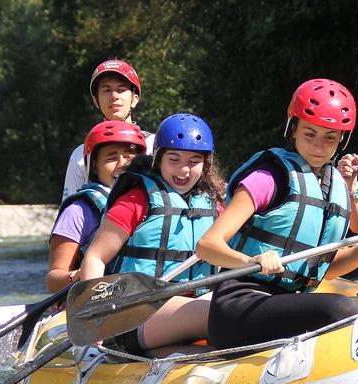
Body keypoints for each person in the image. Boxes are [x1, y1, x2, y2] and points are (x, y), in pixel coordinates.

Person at [196, 78, 358, 349]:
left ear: (342, 139)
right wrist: (251, 259)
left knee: (352, 308)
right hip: (241, 304)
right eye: (309, 134)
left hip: (289, 300)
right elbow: (207, 246)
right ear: (293, 129)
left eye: (330, 137)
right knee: (340, 309)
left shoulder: (335, 186)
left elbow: (329, 269)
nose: (319, 146)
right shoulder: (268, 178)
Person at [76, 114, 224, 352]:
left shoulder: (212, 203)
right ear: (158, 159)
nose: (184, 170)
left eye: (194, 161)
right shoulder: (137, 199)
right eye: (173, 159)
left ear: (206, 164)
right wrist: (97, 315)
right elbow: (95, 257)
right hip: (135, 312)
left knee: (238, 303)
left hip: (189, 308)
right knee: (226, 313)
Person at [45, 120, 147, 292]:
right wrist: (78, 276)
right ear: (95, 167)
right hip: (98, 301)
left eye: (129, 157)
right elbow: (53, 280)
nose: (122, 164)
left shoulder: (154, 201)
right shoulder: (78, 211)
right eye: (111, 157)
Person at [61, 59, 156, 202]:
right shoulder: (81, 154)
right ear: (95, 100)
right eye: (106, 90)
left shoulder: (154, 144)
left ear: (135, 99)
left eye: (121, 89)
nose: (114, 96)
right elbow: (70, 206)